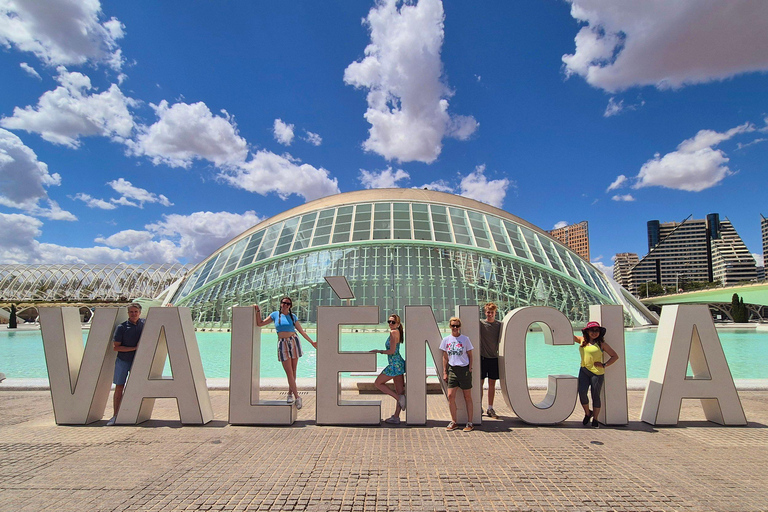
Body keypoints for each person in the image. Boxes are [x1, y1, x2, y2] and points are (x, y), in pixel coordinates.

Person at [254, 298, 316, 409]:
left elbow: (301, 331)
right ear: (280, 304)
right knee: (288, 372)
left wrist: (312, 342)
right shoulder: (275, 315)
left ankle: (290, 394)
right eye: (283, 303)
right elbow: (260, 323)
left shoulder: (293, 317)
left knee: (293, 370)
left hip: (294, 341)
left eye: (288, 304)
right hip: (282, 344)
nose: (285, 305)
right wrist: (257, 311)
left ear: (290, 306)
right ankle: (297, 397)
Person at [573, 321, 619, 428]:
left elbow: (615, 356)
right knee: (582, 392)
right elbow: (570, 336)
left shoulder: (602, 344)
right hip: (584, 371)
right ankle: (587, 413)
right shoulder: (582, 340)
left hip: (597, 373)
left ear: (600, 332)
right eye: (592, 330)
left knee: (595, 395)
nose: (594, 333)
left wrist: (604, 365)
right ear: (587, 331)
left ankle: (596, 419)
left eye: (596, 330)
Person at [107, 303, 145, 426]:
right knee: (119, 387)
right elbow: (116, 347)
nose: (133, 314)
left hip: (138, 362)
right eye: (131, 312)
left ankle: (134, 414)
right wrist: (134, 348)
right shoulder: (122, 327)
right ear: (128, 313)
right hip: (123, 361)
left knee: (138, 388)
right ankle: (115, 415)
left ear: (140, 313)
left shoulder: (145, 324)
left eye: (136, 312)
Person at [370, 314, 407, 424]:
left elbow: (391, 351)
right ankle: (396, 417)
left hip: (394, 364)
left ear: (398, 324)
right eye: (389, 321)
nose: (390, 324)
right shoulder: (398, 332)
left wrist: (379, 351)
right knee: (400, 391)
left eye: (393, 322)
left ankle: (399, 399)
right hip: (398, 363)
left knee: (378, 383)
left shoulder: (393, 332)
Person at [440, 317, 475, 432]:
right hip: (453, 370)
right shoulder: (446, 340)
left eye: (457, 326)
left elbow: (470, 354)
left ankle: (470, 422)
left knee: (467, 397)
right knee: (450, 396)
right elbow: (445, 357)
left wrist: (470, 368)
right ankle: (454, 421)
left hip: (464, 370)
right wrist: (445, 372)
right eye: (453, 325)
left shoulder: (465, 339)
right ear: (450, 326)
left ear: (460, 327)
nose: (455, 328)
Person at [479, 302, 502, 418]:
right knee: (480, 384)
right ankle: (479, 407)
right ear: (485, 312)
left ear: (495, 313)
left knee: (492, 384)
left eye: (492, 312)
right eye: (488, 312)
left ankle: (490, 407)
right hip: (482, 358)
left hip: (494, 358)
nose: (490, 314)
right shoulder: (481, 324)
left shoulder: (499, 325)